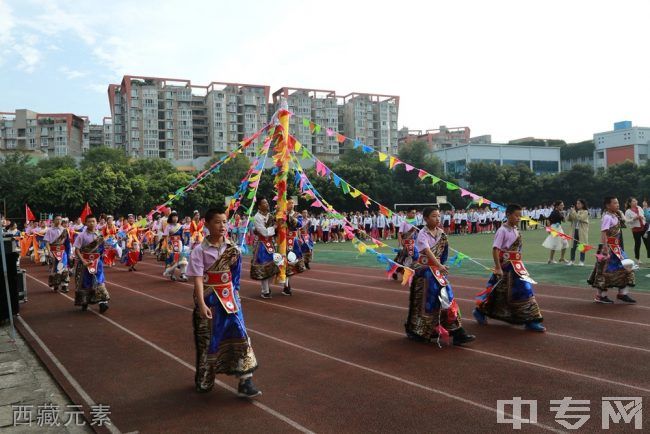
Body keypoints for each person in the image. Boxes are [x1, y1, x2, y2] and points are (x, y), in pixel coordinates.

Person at [186, 208, 260, 397]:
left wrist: (236, 297)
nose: (222, 226)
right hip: (210, 302)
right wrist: (202, 304)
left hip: (230, 302)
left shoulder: (232, 249)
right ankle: (206, 377)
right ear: (207, 224)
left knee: (241, 336)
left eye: (225, 222)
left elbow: (235, 280)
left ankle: (246, 380)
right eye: (218, 222)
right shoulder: (198, 251)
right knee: (208, 341)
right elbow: (197, 280)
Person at [404, 206, 475, 346]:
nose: (437, 219)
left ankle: (457, 331)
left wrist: (440, 266)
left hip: (436, 273)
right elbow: (427, 251)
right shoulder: (422, 234)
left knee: (448, 299)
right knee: (427, 303)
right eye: (434, 216)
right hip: (425, 273)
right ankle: (420, 330)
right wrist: (439, 266)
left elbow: (444, 253)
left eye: (438, 216)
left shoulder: (442, 234)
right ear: (425, 219)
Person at [474, 204, 546, 332]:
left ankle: (529, 320)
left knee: (501, 294)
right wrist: (498, 267)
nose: (519, 218)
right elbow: (496, 249)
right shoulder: (502, 230)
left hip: (517, 267)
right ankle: (530, 320)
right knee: (521, 290)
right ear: (508, 215)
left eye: (520, 216)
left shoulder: (516, 230)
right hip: (506, 267)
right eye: (516, 215)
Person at [588, 197, 636, 304]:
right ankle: (601, 296)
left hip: (616, 247)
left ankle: (622, 293)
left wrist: (620, 214)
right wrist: (605, 248)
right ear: (608, 205)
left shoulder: (616, 215)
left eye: (618, 202)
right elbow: (604, 233)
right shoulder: (607, 217)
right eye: (615, 203)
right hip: (608, 247)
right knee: (604, 272)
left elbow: (624, 224)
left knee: (627, 267)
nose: (617, 204)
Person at [73, 215, 110, 313]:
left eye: (93, 221)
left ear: (96, 222)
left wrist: (102, 259)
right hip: (85, 264)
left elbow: (101, 249)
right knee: (86, 283)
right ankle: (85, 301)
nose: (92, 223)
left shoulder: (99, 235)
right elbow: (77, 250)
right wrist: (84, 261)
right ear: (85, 223)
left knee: (99, 281)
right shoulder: (81, 235)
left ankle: (103, 303)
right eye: (89, 221)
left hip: (97, 263)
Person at [250, 199, 279, 298]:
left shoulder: (270, 215)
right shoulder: (257, 217)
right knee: (263, 267)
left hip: (271, 243)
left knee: (273, 266)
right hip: (261, 244)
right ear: (259, 206)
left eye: (267, 202)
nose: (267, 204)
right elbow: (264, 232)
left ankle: (267, 288)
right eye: (264, 203)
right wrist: (274, 227)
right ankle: (265, 290)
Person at [282, 199, 307, 295]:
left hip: (293, 241)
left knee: (291, 263)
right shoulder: (281, 213)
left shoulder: (297, 214)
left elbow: (299, 224)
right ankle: (286, 285)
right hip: (283, 241)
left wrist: (288, 216)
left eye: (293, 203)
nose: (291, 204)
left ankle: (286, 285)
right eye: (289, 203)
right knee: (283, 263)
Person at [44, 215, 71, 293]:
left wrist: (69, 253)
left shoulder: (65, 230)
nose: (59, 221)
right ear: (54, 220)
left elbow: (67, 244)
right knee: (55, 268)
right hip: (53, 251)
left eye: (60, 219)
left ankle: (64, 285)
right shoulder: (50, 230)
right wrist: (49, 252)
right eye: (57, 219)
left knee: (64, 268)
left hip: (63, 252)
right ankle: (55, 284)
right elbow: (47, 242)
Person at [393, 207, 419, 281]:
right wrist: (400, 244)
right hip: (406, 243)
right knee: (403, 258)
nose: (414, 214)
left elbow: (416, 233)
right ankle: (398, 272)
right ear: (408, 213)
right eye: (412, 212)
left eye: (415, 213)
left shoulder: (415, 222)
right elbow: (399, 233)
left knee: (411, 258)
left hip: (413, 243)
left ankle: (401, 272)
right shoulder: (404, 222)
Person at [162, 212, 189, 281]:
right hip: (171, 244)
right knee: (173, 259)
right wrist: (167, 246)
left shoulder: (180, 226)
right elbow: (165, 236)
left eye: (176, 217)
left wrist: (183, 244)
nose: (175, 218)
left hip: (179, 244)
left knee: (183, 258)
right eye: (173, 217)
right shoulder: (168, 226)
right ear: (171, 218)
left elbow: (182, 236)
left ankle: (183, 274)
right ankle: (172, 274)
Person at [624, 197, 649, 266]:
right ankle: (637, 259)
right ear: (630, 203)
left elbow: (644, 216)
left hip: (644, 228)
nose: (635, 202)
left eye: (636, 201)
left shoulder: (640, 208)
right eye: (633, 201)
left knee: (647, 243)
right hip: (636, 230)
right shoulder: (628, 211)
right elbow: (627, 222)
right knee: (638, 244)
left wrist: (642, 217)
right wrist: (634, 219)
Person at [566, 199, 590, 266]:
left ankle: (581, 261)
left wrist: (573, 212)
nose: (577, 205)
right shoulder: (575, 211)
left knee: (582, 246)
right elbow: (568, 219)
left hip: (582, 231)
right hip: (574, 231)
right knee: (573, 246)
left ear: (583, 204)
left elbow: (580, 218)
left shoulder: (585, 211)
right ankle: (572, 260)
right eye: (577, 203)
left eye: (579, 203)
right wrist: (570, 213)